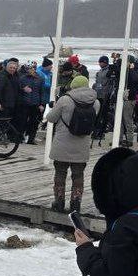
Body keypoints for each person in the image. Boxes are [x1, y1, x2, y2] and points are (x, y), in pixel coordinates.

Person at [44, 75, 100, 213]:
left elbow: (50, 118)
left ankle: (59, 201)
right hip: (82, 144)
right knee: (78, 174)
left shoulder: (65, 100)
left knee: (60, 173)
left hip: (62, 143)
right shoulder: (96, 102)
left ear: (73, 86)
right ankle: (76, 202)